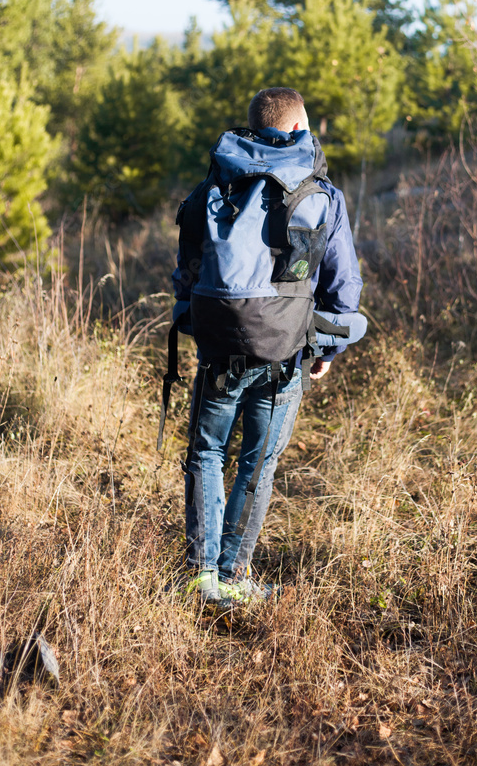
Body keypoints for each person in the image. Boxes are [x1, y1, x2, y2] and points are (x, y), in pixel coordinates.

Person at [170, 87, 363, 608]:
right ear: (301, 129)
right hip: (282, 351)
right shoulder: (321, 191)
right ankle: (233, 577)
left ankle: (200, 577)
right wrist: (327, 349)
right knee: (258, 459)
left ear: (252, 129)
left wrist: (199, 320)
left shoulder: (219, 179)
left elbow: (187, 267)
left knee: (208, 450)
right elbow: (342, 286)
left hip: (218, 347)